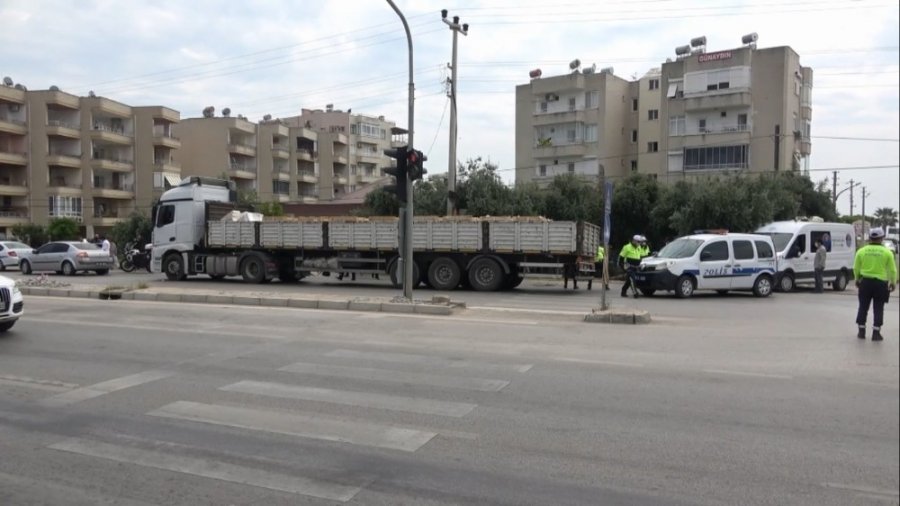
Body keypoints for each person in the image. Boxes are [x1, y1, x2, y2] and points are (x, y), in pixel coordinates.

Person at [853, 227, 897, 341]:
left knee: (863, 306)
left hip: (865, 282)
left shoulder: (861, 251)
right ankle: (876, 333)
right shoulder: (887, 252)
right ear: (881, 238)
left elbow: (856, 267)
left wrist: (857, 279)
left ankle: (861, 331)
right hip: (881, 284)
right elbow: (892, 270)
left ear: (870, 238)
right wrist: (893, 282)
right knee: (878, 308)